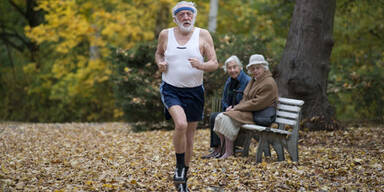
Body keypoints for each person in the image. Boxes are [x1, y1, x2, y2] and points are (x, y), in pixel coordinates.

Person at [155, 1, 218, 191]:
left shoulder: (203, 35)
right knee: (181, 124)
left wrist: (202, 66)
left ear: (194, 16)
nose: (186, 17)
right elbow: (158, 54)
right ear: (175, 18)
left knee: (190, 137)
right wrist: (160, 63)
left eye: (189, 14)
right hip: (171, 88)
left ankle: (183, 181)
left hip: (194, 91)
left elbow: (214, 63)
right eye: (181, 14)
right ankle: (179, 168)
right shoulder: (166, 34)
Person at [213, 54, 278, 159]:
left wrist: (236, 108)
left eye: (258, 68)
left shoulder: (268, 83)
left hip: (259, 114)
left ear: (264, 68)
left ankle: (229, 152)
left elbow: (256, 103)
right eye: (253, 68)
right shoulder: (254, 80)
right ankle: (225, 150)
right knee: (219, 117)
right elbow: (245, 98)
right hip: (250, 112)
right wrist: (234, 108)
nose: (255, 70)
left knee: (226, 118)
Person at [201, 55, 250, 159]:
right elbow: (224, 99)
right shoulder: (229, 81)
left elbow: (247, 100)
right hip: (230, 110)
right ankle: (217, 149)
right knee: (214, 116)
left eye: (234, 67)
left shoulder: (247, 81)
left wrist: (235, 108)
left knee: (219, 117)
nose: (232, 70)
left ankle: (224, 150)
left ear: (240, 67)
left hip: (240, 112)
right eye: (229, 68)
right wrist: (226, 107)